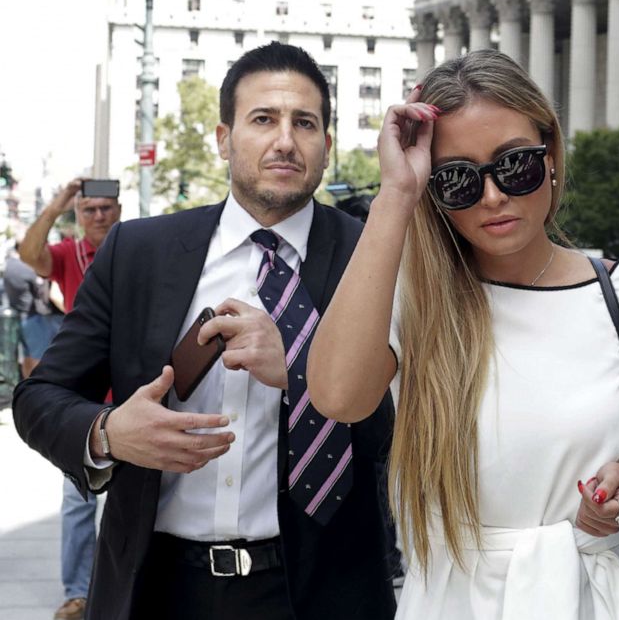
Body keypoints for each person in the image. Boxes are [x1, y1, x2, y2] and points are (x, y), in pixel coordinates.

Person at [306, 49, 619, 619]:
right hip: (453, 598)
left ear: (550, 155)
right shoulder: (415, 299)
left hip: (593, 597)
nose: (493, 196)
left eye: (514, 165)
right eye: (458, 180)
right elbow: (337, 397)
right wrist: (396, 193)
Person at [13, 42, 395, 620]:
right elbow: (39, 397)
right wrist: (110, 432)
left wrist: (300, 368)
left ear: (327, 146)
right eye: (263, 119)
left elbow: (408, 434)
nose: (285, 140)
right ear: (223, 138)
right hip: (157, 587)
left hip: (317, 593)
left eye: (305, 123)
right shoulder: (138, 251)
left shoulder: (376, 257)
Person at [18, 180, 121, 620]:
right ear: (79, 214)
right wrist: (59, 202)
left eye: (105, 208)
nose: (98, 216)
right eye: (89, 209)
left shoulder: (134, 248)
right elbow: (28, 255)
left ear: (119, 209)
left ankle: (124, 587)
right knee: (79, 501)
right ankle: (79, 593)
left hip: (136, 392)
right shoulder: (67, 255)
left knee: (134, 504)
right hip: (84, 399)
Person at [3, 244, 63, 378]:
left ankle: (28, 387)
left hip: (20, 315)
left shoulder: (10, 265)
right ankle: (37, 388)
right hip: (35, 319)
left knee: (27, 356)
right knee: (39, 357)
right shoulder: (27, 268)